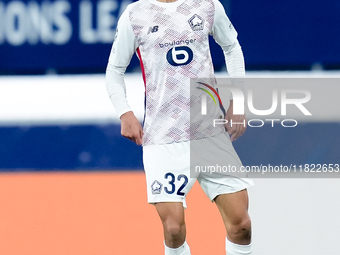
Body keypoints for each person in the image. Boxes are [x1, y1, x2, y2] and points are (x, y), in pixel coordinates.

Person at [106, 0, 254, 254]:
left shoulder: (208, 6)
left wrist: (237, 101)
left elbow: (232, 47)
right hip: (163, 138)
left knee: (241, 225)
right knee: (173, 229)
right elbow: (114, 70)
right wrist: (125, 112)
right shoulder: (135, 14)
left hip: (209, 132)